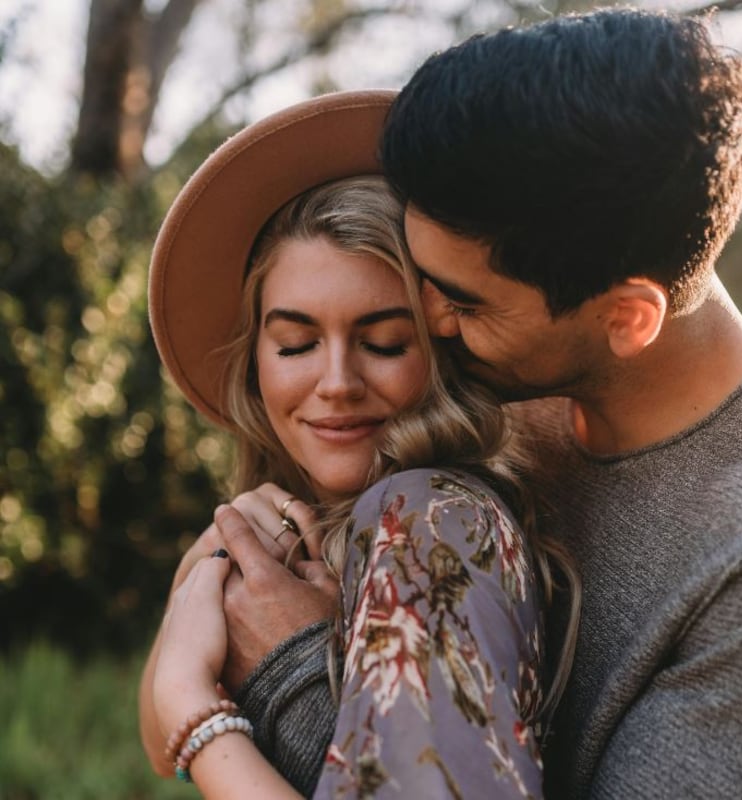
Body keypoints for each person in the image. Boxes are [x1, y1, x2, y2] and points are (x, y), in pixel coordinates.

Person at [375, 7, 742, 800]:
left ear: (628, 317)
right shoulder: (506, 397)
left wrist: (270, 677)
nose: (428, 320)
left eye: (467, 305)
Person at [139, 91, 577, 798]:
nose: (337, 382)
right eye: (297, 343)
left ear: (439, 348)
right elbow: (153, 747)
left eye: (382, 342)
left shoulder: (438, 522)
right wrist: (196, 592)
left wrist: (195, 708)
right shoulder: (279, 524)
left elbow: (172, 722)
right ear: (256, 357)